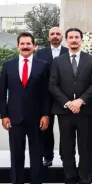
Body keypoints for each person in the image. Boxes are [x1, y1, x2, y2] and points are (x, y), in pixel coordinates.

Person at [49, 27, 92, 184]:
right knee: (67, 151)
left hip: (85, 112)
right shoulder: (58, 61)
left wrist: (80, 101)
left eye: (76, 37)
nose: (73, 40)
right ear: (66, 40)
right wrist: (68, 103)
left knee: (85, 150)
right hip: (65, 113)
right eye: (70, 37)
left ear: (81, 40)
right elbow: (53, 85)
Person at [0, 32, 50, 184]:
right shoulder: (8, 65)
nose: (26, 46)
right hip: (14, 119)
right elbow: (1, 93)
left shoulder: (43, 65)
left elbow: (46, 93)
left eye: (29, 43)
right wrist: (4, 115)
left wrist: (45, 114)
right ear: (18, 46)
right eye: (22, 43)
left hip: (36, 119)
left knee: (36, 155)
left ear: (34, 46)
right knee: (16, 155)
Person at [34, 26, 67, 167]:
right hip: (46, 97)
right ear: (48, 37)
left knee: (66, 129)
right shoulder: (40, 53)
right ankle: (47, 156)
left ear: (62, 37)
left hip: (64, 97)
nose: (55, 36)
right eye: (52, 34)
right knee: (45, 129)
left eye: (58, 34)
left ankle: (65, 156)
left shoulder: (68, 52)